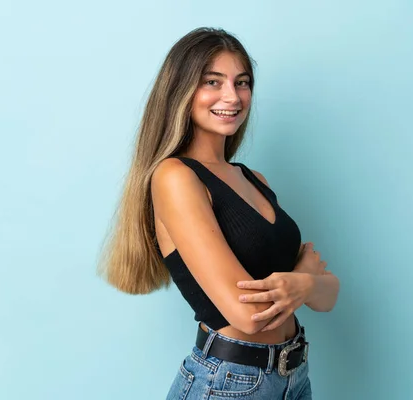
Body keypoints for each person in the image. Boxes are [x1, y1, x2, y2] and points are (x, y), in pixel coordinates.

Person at [98, 27, 340, 399]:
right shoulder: (175, 177)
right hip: (230, 382)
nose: (233, 96)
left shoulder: (253, 179)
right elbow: (247, 316)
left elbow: (328, 297)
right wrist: (303, 278)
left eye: (242, 83)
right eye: (213, 82)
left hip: (294, 378)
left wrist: (306, 283)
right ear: (182, 91)